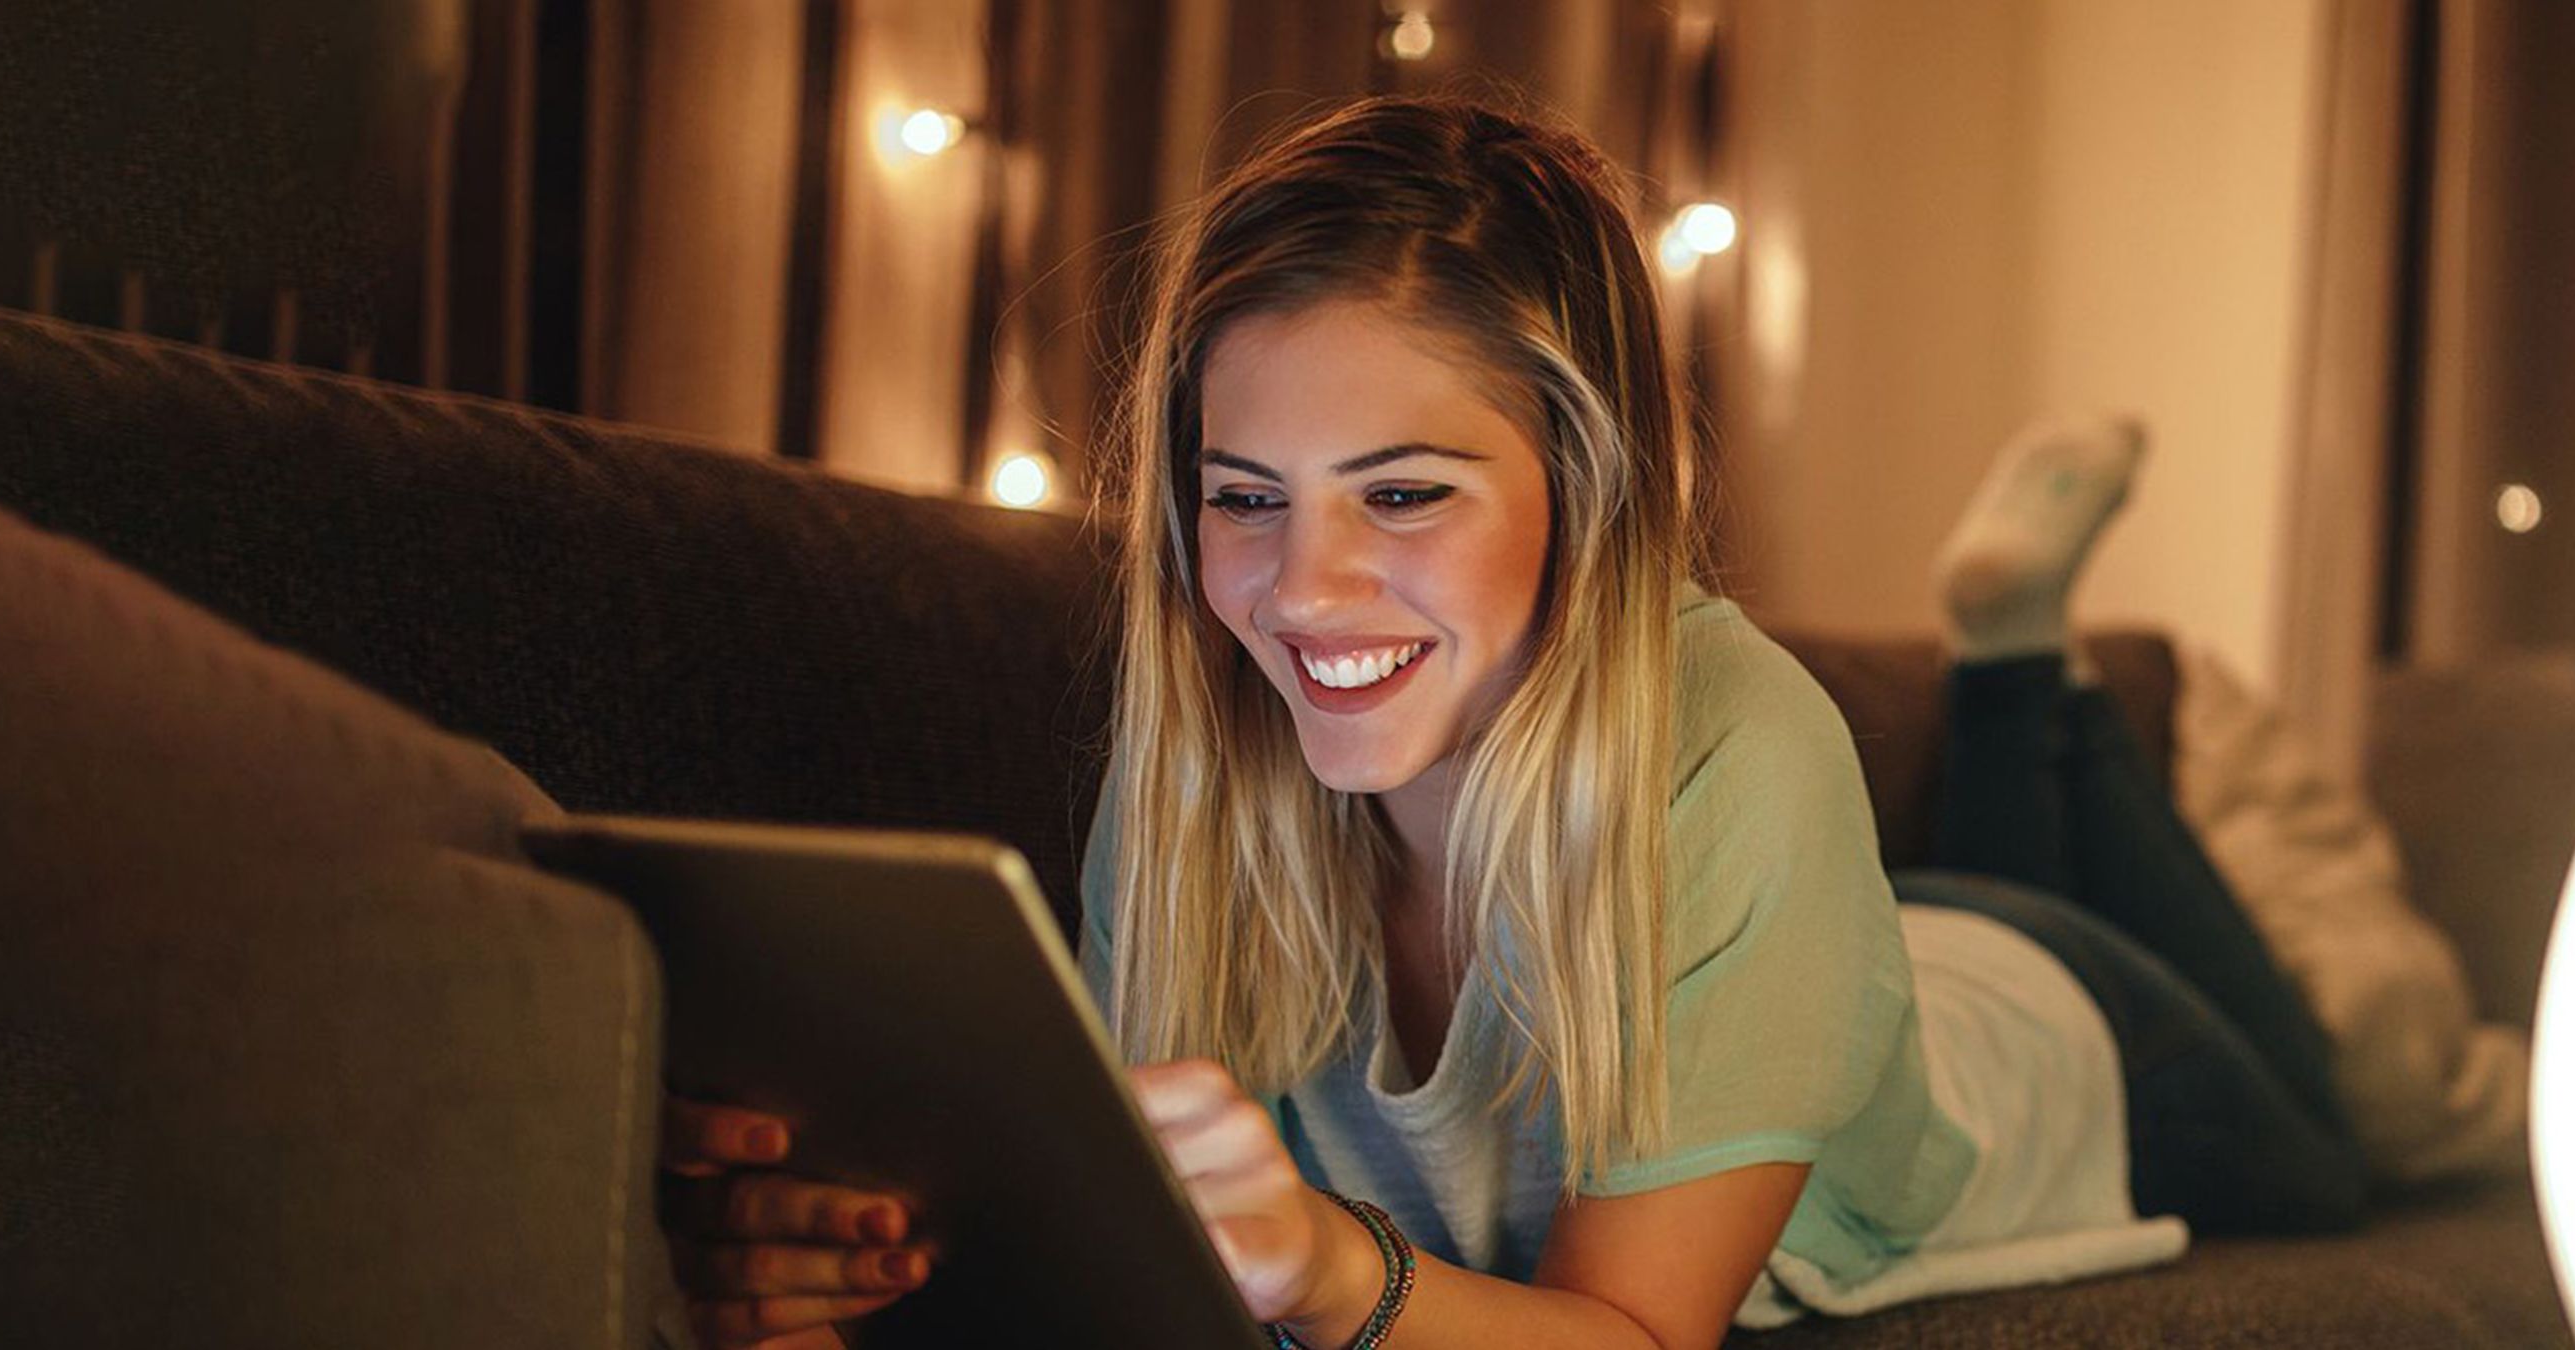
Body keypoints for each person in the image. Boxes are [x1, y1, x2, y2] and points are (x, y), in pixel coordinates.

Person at [656, 95, 2362, 1349]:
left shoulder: (1746, 739)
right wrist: (871, 1254)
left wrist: (1326, 1266)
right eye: (1245, 495)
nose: (1304, 591)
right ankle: (2013, 651)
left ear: (1591, 487)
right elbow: (1139, 1249)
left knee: (2350, 1120)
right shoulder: (1197, 774)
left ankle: (2014, 663)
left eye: (1401, 494)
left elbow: (1625, 1334)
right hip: (1824, 965)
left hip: (2067, 1034)